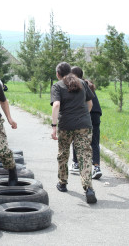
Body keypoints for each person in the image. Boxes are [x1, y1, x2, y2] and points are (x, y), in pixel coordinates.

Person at [50, 62, 97, 204]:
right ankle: (88, 188)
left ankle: (62, 183)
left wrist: (53, 126)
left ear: (58, 74)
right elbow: (90, 104)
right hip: (84, 125)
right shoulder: (82, 82)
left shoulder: (57, 86)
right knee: (84, 155)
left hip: (66, 126)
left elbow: (56, 105)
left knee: (63, 154)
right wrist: (83, 116)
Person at [70, 66, 103, 179]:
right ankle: (97, 167)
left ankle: (75, 163)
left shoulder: (77, 85)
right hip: (96, 113)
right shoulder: (88, 83)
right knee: (94, 141)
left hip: (86, 113)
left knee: (76, 136)